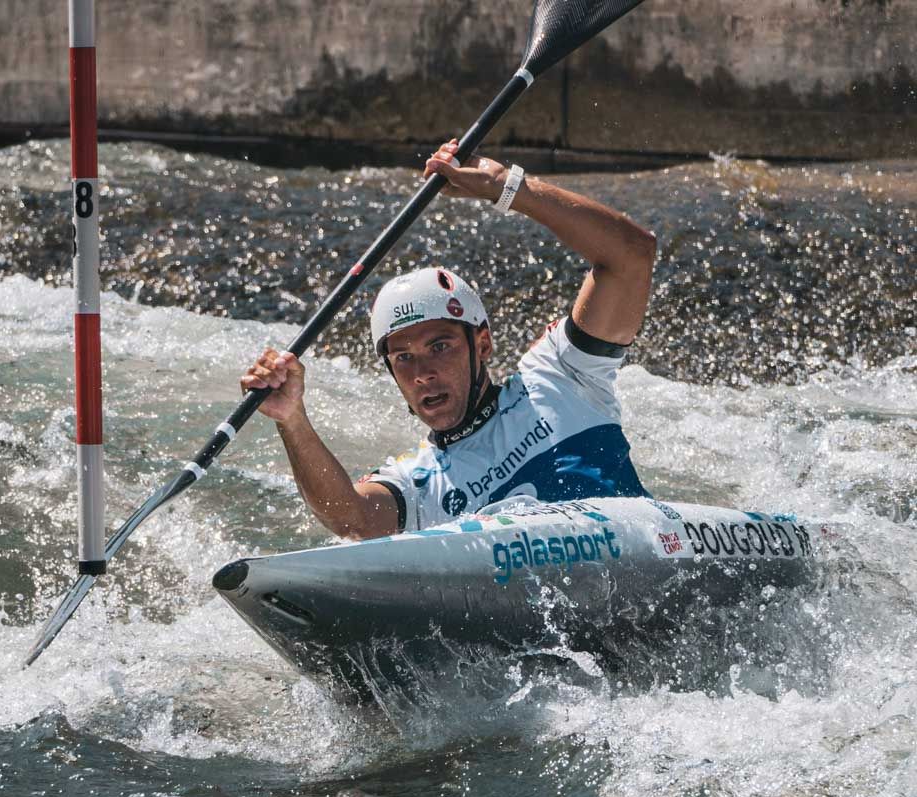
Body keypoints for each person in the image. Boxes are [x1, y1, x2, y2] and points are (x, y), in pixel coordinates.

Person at [240, 139, 656, 539]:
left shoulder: (561, 376)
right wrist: (292, 419)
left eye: (439, 347)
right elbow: (354, 519)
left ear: (483, 345)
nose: (422, 373)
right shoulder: (419, 485)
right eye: (402, 358)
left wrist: (505, 187)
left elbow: (630, 255)